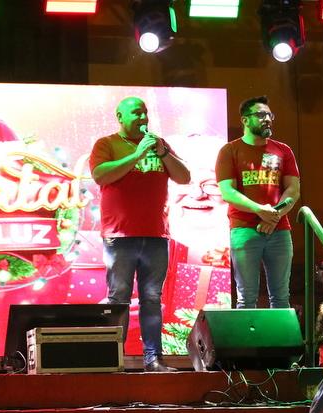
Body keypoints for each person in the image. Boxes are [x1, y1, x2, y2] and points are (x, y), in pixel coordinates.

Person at [89, 97, 191, 372]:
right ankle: (112, 360)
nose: (143, 117)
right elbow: (100, 175)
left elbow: (184, 177)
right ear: (120, 117)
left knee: (152, 299)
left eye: (145, 112)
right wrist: (137, 155)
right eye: (136, 113)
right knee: (118, 298)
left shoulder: (159, 144)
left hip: (156, 235)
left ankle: (153, 360)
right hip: (120, 236)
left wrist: (163, 153)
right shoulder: (107, 144)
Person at [215, 95, 300, 309]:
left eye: (270, 115)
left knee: (281, 297)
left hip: (279, 231)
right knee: (246, 298)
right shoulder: (229, 150)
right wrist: (259, 210)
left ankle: (278, 334)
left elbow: (293, 189)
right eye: (261, 115)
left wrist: (274, 216)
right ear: (245, 120)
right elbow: (228, 192)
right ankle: (247, 334)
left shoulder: (283, 150)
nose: (267, 119)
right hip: (244, 230)